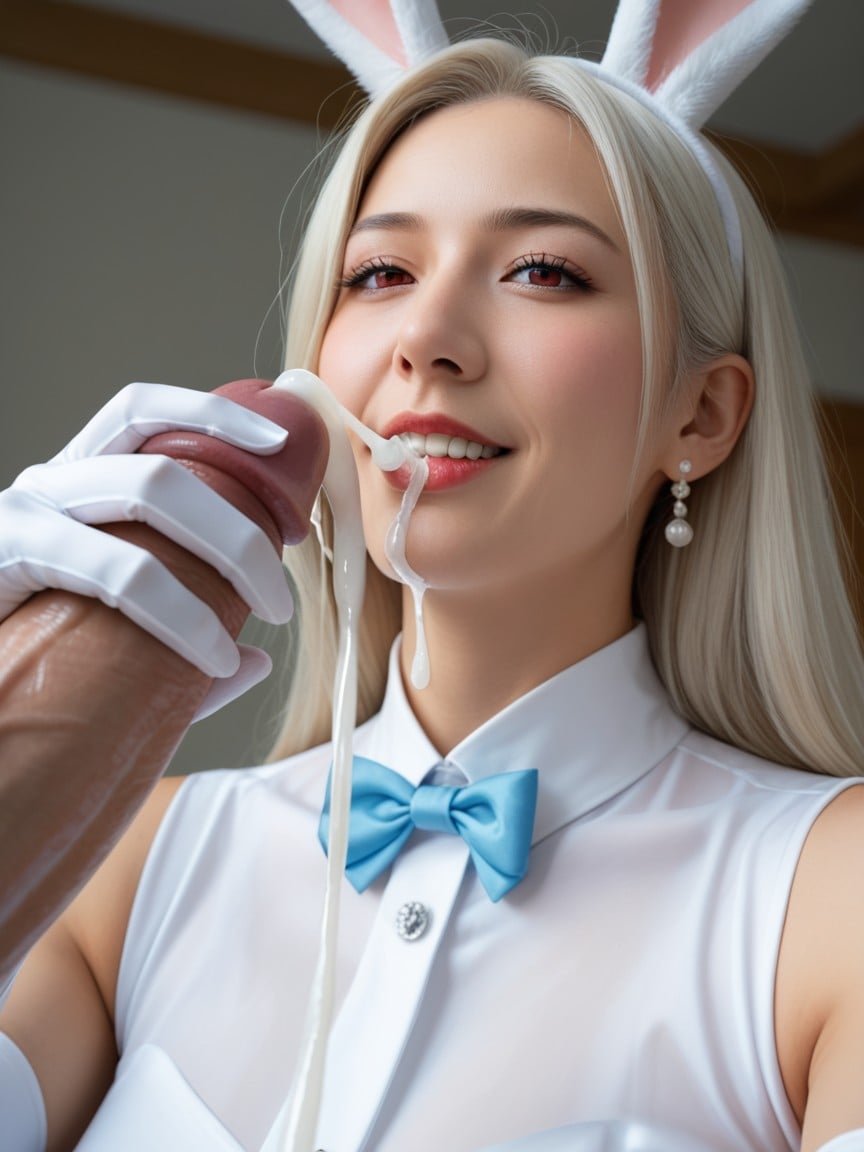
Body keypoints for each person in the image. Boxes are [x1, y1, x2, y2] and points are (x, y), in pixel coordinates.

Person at [1, 2, 863, 1150]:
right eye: (380, 271)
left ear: (700, 416)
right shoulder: (117, 863)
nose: (429, 336)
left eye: (545, 270)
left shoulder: (829, 897)